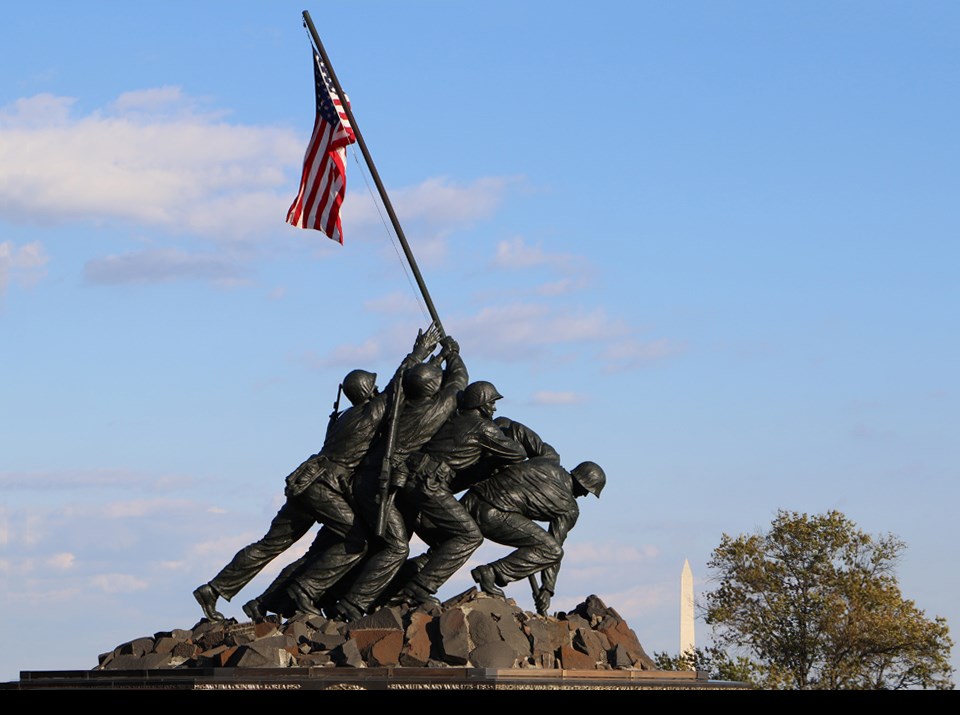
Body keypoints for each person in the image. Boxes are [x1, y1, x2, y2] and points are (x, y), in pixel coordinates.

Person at [191, 326, 440, 622]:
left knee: (270, 544)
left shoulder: (342, 418)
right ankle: (304, 592)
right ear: (367, 392)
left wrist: (429, 365)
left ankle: (214, 589)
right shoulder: (370, 413)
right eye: (372, 388)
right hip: (325, 485)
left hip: (306, 480)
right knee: (357, 540)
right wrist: (419, 354)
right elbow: (397, 386)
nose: (376, 390)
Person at [295, 334, 468, 620]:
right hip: (380, 485)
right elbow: (459, 379)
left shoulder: (397, 407)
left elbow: (399, 384)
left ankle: (328, 595)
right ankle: (346, 603)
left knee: (370, 541)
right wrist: (452, 353)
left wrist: (424, 356)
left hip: (362, 481)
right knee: (396, 546)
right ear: (433, 388)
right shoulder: (440, 408)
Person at [382, 380, 530, 608]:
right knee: (469, 536)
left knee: (444, 540)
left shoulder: (453, 421)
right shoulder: (484, 428)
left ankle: (393, 587)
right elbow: (517, 454)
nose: (494, 409)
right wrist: (508, 432)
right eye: (491, 403)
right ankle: (418, 589)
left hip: (412, 480)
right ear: (481, 404)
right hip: (429, 484)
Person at [460, 458, 606, 615]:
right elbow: (555, 546)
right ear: (582, 483)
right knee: (552, 550)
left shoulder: (545, 463)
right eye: (587, 491)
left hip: (470, 499)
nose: (584, 495)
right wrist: (547, 589)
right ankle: (491, 573)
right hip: (493, 514)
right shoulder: (569, 508)